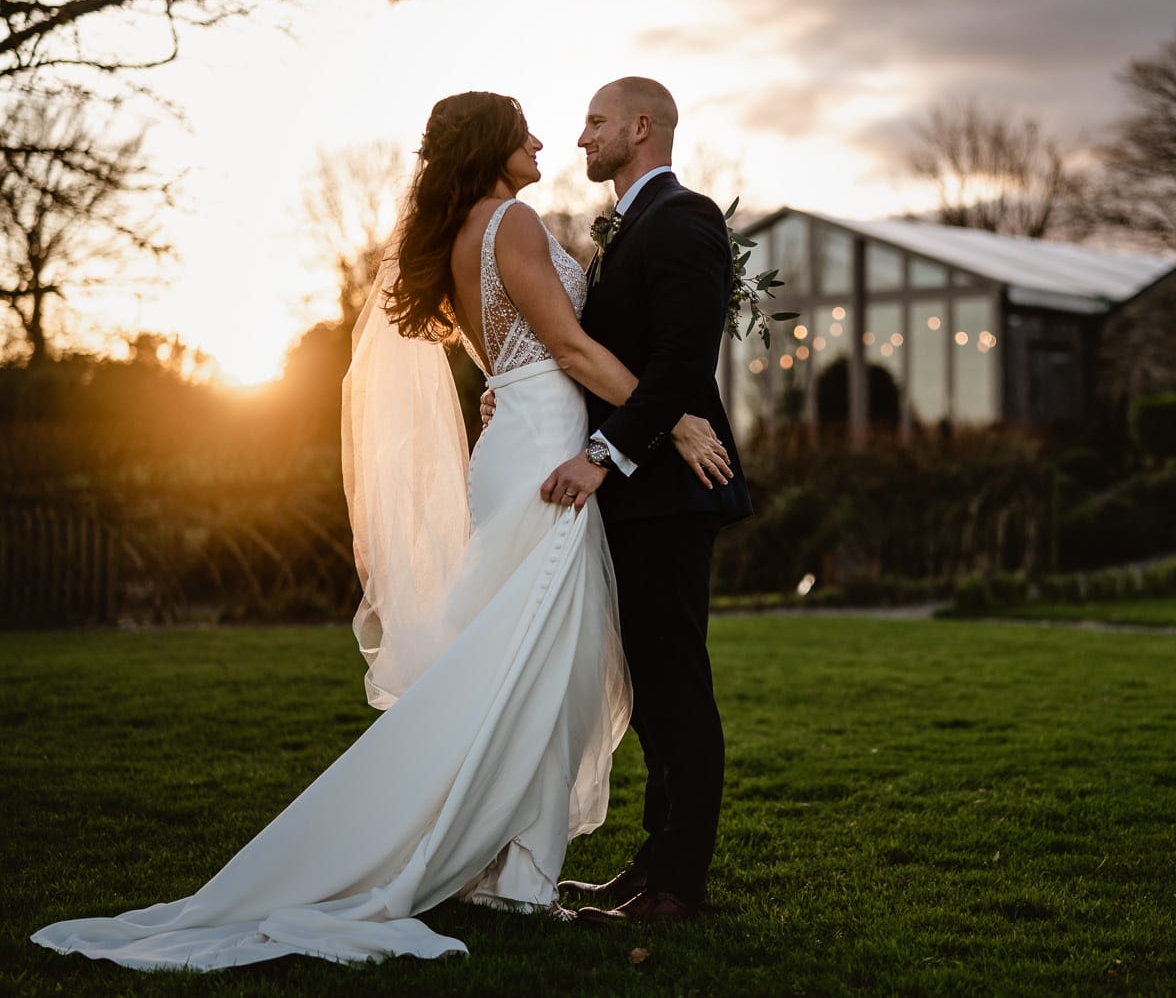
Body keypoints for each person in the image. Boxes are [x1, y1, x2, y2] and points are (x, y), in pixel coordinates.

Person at [30, 90, 731, 970]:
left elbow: (522, 350)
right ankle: (512, 866)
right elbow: (576, 350)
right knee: (532, 663)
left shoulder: (457, 234)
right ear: (491, 147)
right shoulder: (511, 220)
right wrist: (674, 419)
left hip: (520, 437)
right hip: (552, 449)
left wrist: (525, 391)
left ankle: (517, 865)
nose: (546, 139)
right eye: (525, 130)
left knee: (527, 660)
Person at [513, 76, 754, 926]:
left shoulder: (685, 217)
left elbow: (683, 364)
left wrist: (602, 456)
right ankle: (652, 864)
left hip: (667, 497)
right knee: (652, 688)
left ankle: (679, 886)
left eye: (596, 122)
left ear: (641, 127)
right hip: (640, 499)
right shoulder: (627, 227)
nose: (581, 137)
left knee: (676, 686)